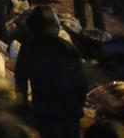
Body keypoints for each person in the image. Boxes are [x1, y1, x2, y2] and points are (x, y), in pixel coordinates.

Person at [15, 7, 85, 138]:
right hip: (68, 109)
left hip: (44, 108)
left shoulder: (29, 46)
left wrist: (23, 104)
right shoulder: (68, 49)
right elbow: (81, 81)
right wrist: (79, 106)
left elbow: (21, 77)